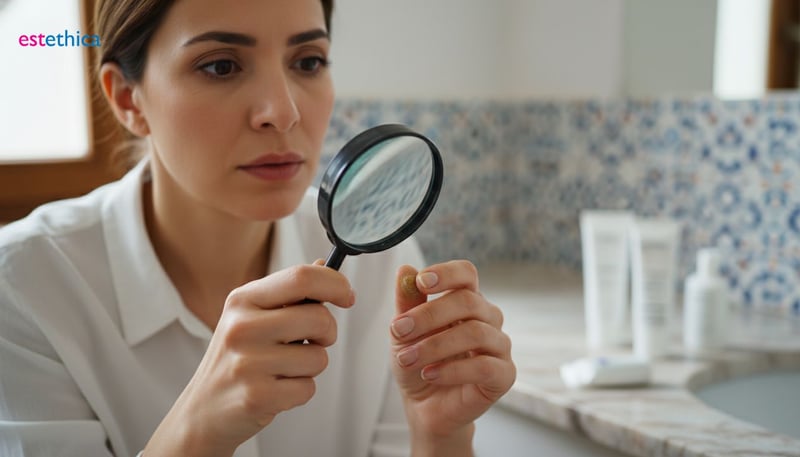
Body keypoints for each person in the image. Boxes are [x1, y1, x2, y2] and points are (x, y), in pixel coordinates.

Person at [0, 0, 516, 455]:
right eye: (221, 65)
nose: (283, 112)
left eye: (308, 61)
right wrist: (199, 429)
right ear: (129, 99)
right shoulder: (26, 287)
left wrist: (441, 437)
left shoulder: (381, 265)